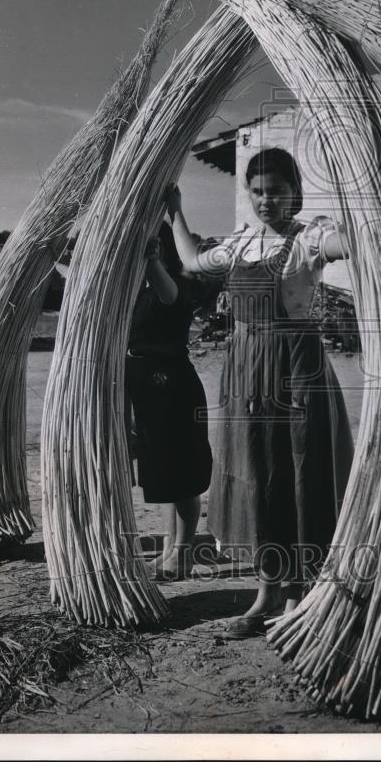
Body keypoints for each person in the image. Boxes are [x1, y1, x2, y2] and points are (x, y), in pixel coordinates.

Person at [165, 147, 355, 638]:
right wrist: (175, 211)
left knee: (300, 470)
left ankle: (302, 594)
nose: (266, 200)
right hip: (246, 369)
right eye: (258, 192)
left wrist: (347, 207)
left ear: (294, 193)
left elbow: (352, 243)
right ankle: (267, 594)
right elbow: (190, 262)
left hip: (296, 367)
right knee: (256, 472)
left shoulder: (309, 239)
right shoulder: (242, 242)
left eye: (276, 191)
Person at [124, 221, 212, 580]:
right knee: (162, 474)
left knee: (182, 473)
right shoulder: (137, 291)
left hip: (172, 387)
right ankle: (167, 549)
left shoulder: (171, 285)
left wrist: (151, 259)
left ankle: (184, 552)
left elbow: (168, 295)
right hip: (146, 386)